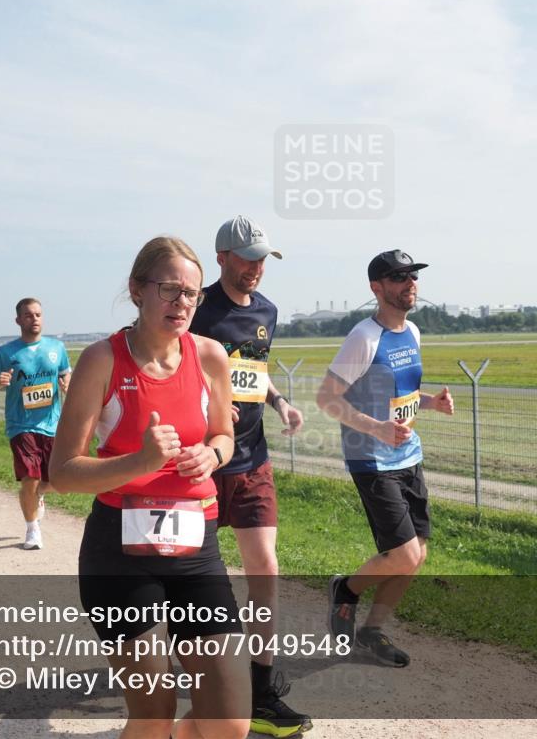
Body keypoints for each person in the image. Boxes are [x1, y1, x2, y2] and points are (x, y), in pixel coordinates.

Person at [49, 235, 249, 739]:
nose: (181, 303)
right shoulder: (102, 360)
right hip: (120, 553)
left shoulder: (210, 356)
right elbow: (63, 472)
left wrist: (213, 454)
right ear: (137, 290)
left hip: (196, 547)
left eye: (192, 294)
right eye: (169, 289)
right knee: (154, 713)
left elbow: (224, 435)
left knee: (229, 722)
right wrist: (140, 461)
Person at [189, 216, 309, 737]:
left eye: (263, 258)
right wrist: (205, 405)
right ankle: (195, 675)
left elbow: (254, 369)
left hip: (253, 460)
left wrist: (280, 403)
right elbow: (172, 367)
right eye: (247, 258)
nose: (257, 267)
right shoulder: (197, 309)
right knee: (191, 579)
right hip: (203, 463)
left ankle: (261, 690)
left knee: (265, 568)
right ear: (221, 257)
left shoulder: (267, 311)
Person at [315, 250, 455, 667]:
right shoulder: (364, 337)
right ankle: (346, 590)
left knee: (417, 555)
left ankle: (372, 632)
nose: (410, 283)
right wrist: (376, 428)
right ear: (377, 288)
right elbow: (326, 398)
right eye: (398, 277)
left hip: (408, 455)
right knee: (404, 554)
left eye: (413, 275)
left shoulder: (412, 332)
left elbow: (400, 396)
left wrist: (430, 403)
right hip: (372, 460)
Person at [0, 299, 71, 550]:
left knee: (60, 482)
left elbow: (65, 373)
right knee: (30, 478)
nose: (35, 319)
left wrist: (67, 384)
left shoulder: (56, 347)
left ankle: (38, 494)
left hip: (52, 425)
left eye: (38, 314)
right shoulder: (6, 353)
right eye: (29, 315)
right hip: (21, 425)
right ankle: (32, 530)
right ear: (18, 320)